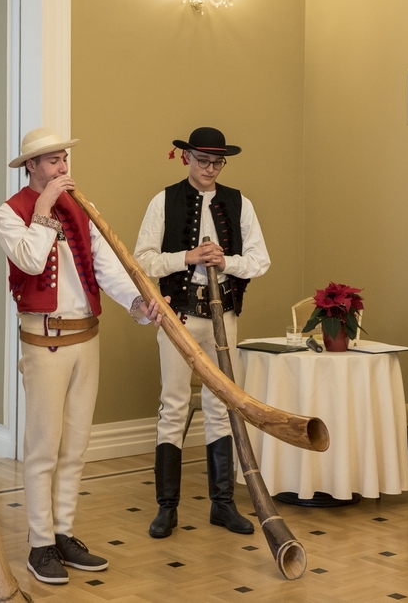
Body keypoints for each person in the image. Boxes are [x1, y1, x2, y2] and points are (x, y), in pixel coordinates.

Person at [0, 127, 162, 586]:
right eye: (52, 160)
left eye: (63, 159)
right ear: (31, 165)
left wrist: (137, 303)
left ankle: (64, 532)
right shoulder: (11, 212)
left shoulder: (83, 209)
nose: (62, 167)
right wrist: (44, 208)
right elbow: (30, 261)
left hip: (87, 337)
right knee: (43, 447)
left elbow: (106, 268)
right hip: (45, 340)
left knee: (75, 445)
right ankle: (39, 543)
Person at [134, 126, 270, 539]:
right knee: (174, 405)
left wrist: (226, 262)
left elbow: (260, 260)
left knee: (221, 405)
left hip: (223, 315)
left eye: (217, 162)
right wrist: (187, 257)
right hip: (179, 315)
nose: (210, 169)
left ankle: (222, 504)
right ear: (186, 158)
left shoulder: (239, 202)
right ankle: (167, 507)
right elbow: (143, 260)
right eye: (203, 160)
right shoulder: (164, 200)